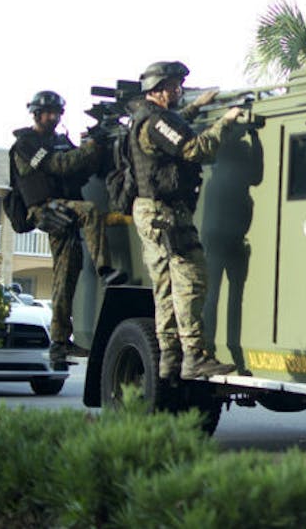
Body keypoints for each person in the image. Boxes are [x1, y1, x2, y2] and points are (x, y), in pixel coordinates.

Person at [129, 61, 245, 381]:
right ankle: (194, 356)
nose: (178, 92)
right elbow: (194, 149)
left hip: (150, 210)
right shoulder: (154, 121)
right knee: (190, 277)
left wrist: (195, 107)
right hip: (165, 213)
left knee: (165, 285)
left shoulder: (145, 118)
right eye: (175, 87)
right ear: (160, 90)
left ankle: (169, 357)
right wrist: (225, 121)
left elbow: (174, 130)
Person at [11, 90, 126, 370]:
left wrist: (98, 144)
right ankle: (104, 269)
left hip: (63, 208)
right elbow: (59, 165)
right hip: (46, 210)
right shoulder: (26, 144)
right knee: (89, 211)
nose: (53, 118)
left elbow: (79, 166)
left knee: (66, 276)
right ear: (36, 114)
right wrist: (91, 147)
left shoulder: (59, 140)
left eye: (57, 113)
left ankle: (59, 343)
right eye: (48, 113)